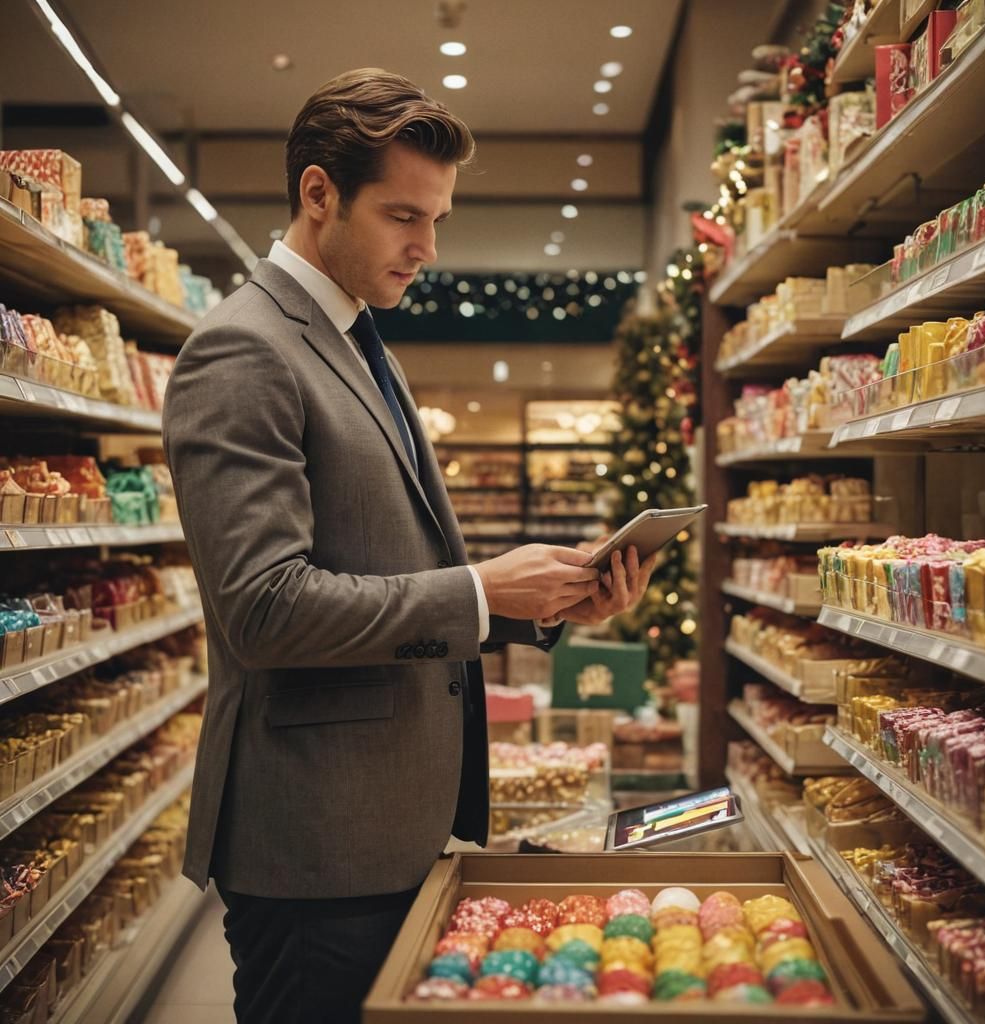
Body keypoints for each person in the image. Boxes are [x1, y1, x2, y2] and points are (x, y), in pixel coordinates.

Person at [162, 67, 656, 1023]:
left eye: (438, 220)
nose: (428, 247)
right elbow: (263, 609)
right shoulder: (244, 349)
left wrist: (541, 601)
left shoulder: (355, 340)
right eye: (402, 216)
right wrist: (477, 591)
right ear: (318, 192)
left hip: (389, 826)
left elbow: (387, 567)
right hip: (318, 846)